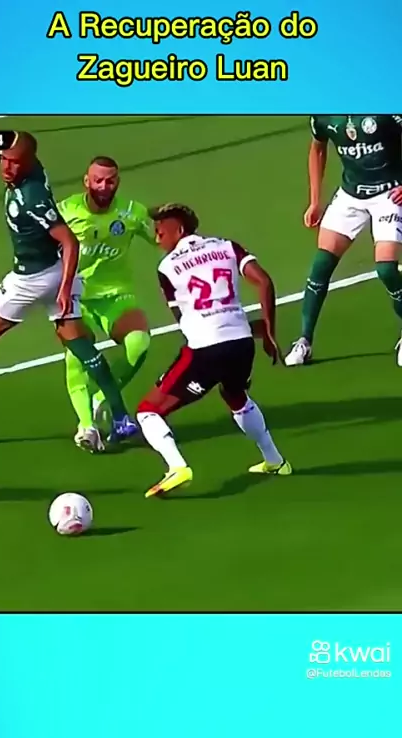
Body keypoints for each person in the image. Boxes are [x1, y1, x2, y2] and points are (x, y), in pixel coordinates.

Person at [0, 133, 136, 441]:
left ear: (26, 164)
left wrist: (65, 289)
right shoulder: (32, 168)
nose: (6, 168)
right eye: (4, 160)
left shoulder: (31, 198)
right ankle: (121, 418)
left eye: (13, 163)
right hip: (55, 270)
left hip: (31, 279)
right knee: (80, 345)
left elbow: (70, 241)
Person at [135, 203, 292, 498]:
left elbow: (184, 319)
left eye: (160, 232)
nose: (157, 239)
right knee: (236, 396)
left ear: (179, 230)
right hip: (242, 343)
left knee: (148, 411)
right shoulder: (227, 246)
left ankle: (177, 467)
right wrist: (269, 331)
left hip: (205, 349)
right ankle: (275, 461)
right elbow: (263, 281)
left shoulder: (167, 268)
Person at [285, 115, 402, 367]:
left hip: (390, 194)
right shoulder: (324, 115)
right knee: (321, 265)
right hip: (350, 196)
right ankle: (304, 340)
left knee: (386, 269)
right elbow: (317, 149)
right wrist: (315, 201)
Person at [57, 156, 155, 452]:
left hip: (116, 296)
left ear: (118, 182)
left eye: (109, 180)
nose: (103, 186)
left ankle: (101, 397)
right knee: (77, 359)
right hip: (77, 297)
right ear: (86, 181)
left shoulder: (132, 213)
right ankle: (86, 427)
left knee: (139, 343)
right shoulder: (65, 211)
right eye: (97, 180)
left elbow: (161, 238)